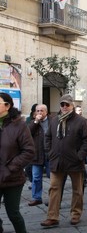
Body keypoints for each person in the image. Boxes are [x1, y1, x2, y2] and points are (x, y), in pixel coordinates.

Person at [41, 94, 87, 227]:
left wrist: (79, 156)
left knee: (77, 190)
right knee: (54, 188)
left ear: (72, 106)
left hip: (74, 161)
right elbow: (48, 137)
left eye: (67, 105)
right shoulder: (54, 120)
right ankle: (52, 216)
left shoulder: (81, 121)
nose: (64, 107)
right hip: (56, 161)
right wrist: (49, 152)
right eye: (62, 104)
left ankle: (75, 214)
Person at [0, 92, 35, 233]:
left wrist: (10, 168)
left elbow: (29, 151)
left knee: (13, 213)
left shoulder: (19, 125)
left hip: (12, 178)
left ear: (7, 106)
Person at [28, 104, 51, 206]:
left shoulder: (52, 121)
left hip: (50, 154)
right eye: (37, 111)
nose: (39, 113)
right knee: (36, 177)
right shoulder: (33, 122)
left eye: (41, 111)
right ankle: (36, 197)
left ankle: (52, 198)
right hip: (37, 154)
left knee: (53, 178)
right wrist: (36, 122)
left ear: (46, 112)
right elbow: (27, 133)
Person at [25, 103, 38, 188]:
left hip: (40, 148)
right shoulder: (29, 119)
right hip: (30, 147)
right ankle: (32, 181)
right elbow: (27, 131)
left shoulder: (46, 119)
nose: (39, 112)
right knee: (28, 168)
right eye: (37, 110)